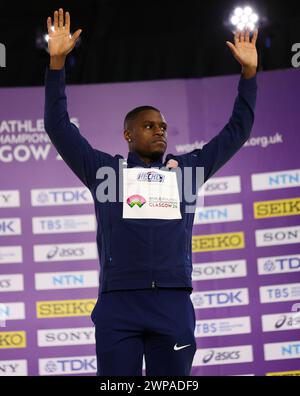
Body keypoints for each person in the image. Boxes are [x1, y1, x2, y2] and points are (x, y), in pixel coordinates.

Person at [44, 8, 258, 376]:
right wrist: (57, 64)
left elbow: (236, 131)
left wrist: (249, 75)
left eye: (162, 126)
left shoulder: (187, 172)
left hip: (173, 304)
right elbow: (58, 126)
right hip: (118, 304)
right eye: (148, 125)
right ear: (128, 134)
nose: (160, 131)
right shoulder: (105, 171)